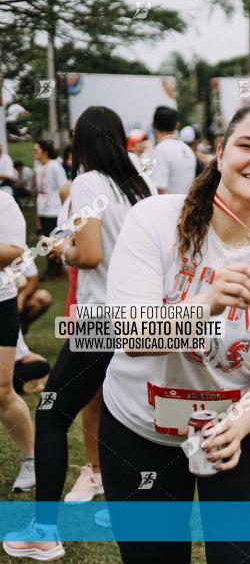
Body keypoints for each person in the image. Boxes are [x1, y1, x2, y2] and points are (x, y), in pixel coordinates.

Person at [98, 105, 250, 563]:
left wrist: (235, 426)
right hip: (137, 426)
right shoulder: (154, 220)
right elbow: (131, 337)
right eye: (247, 145)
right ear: (219, 153)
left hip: (243, 428)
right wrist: (206, 302)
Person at [3, 106, 158, 561]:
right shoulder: (140, 185)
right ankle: (119, 505)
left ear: (79, 141)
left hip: (100, 321)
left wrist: (59, 248)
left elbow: (88, 254)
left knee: (52, 414)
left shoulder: (89, 183)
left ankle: (44, 530)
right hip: (141, 320)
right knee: (121, 416)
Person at [0, 191, 36, 496]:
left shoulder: (4, 202)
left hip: (1, 303)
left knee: (1, 391)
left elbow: (15, 252)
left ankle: (31, 459)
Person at [33, 141, 68, 280]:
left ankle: (55, 268)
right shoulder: (38, 167)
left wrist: (65, 210)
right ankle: (52, 268)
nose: (34, 152)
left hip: (54, 209)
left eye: (36, 149)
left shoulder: (55, 166)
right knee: (45, 240)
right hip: (43, 209)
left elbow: (64, 187)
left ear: (45, 151)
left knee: (53, 240)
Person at [151, 106, 197, 195]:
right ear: (177, 125)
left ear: (153, 125)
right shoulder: (187, 149)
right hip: (186, 205)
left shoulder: (159, 150)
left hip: (167, 207)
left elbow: (157, 188)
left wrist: (146, 156)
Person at [16, 261, 52, 334]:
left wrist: (21, 297)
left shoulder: (22, 250)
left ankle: (20, 328)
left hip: (14, 299)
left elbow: (33, 279)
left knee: (43, 297)